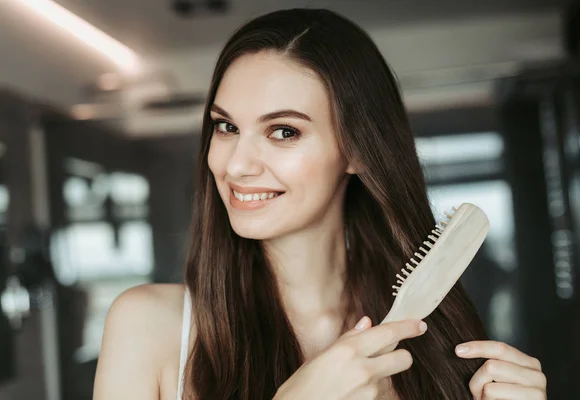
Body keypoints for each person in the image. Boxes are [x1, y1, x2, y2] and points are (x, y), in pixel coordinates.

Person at [93, 8, 547, 400]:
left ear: (356, 151)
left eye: (283, 131)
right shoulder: (150, 327)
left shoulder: (432, 336)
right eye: (226, 127)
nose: (236, 165)